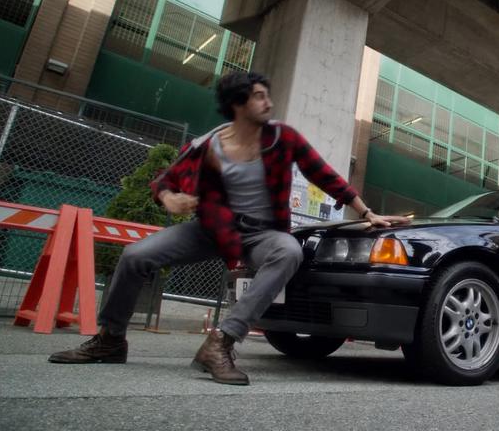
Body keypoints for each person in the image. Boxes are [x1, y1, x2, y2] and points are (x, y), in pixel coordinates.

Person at [48, 72, 410, 384]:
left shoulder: (283, 138)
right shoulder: (208, 145)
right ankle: (111, 339)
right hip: (209, 229)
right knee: (135, 255)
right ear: (238, 104)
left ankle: (221, 343)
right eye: (258, 96)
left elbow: (323, 174)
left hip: (261, 234)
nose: (268, 102)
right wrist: (170, 199)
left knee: (288, 251)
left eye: (267, 94)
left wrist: (367, 213)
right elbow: (164, 183)